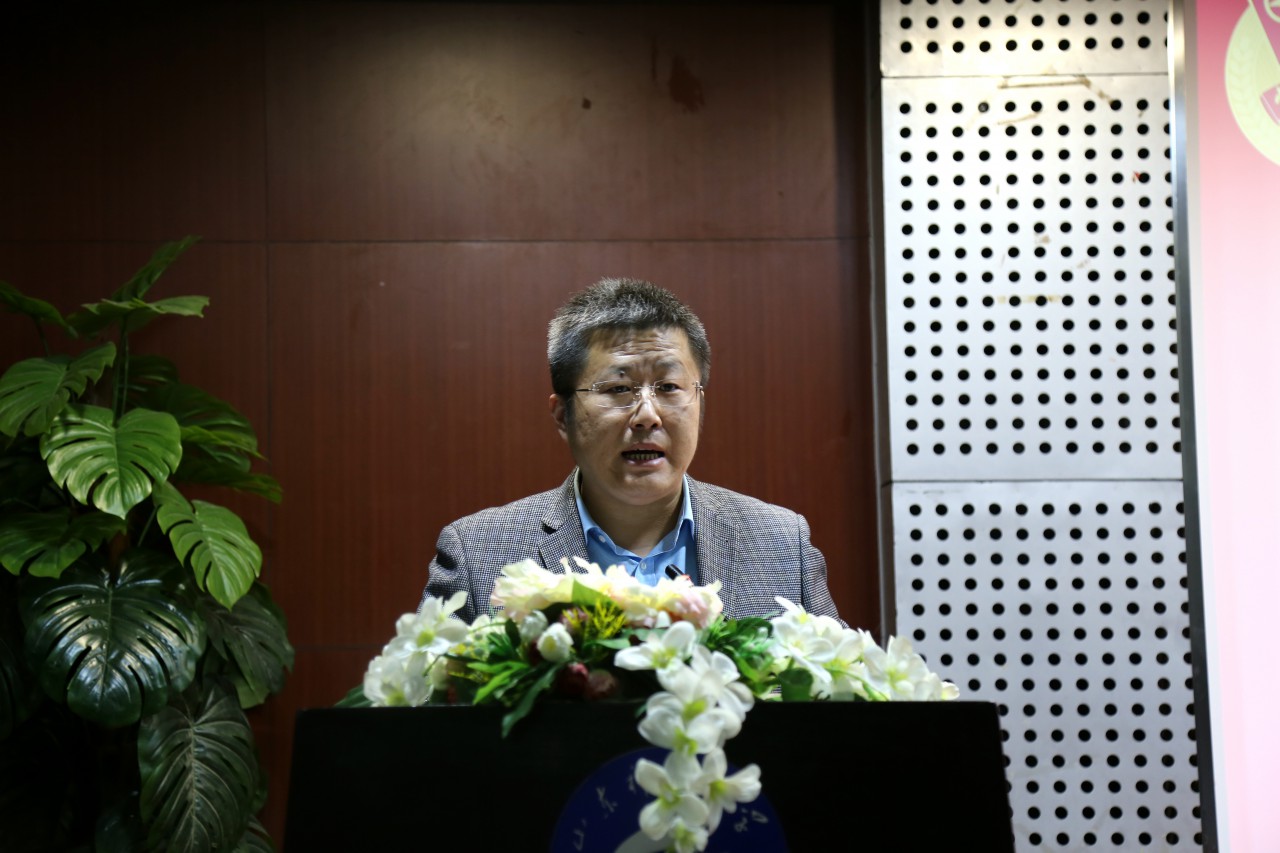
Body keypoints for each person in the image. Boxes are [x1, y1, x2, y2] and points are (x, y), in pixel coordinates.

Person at [421, 277, 842, 624]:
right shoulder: (478, 553)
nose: (647, 416)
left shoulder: (781, 544)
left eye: (669, 387)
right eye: (618, 388)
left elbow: (844, 693)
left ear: (700, 403)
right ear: (563, 416)